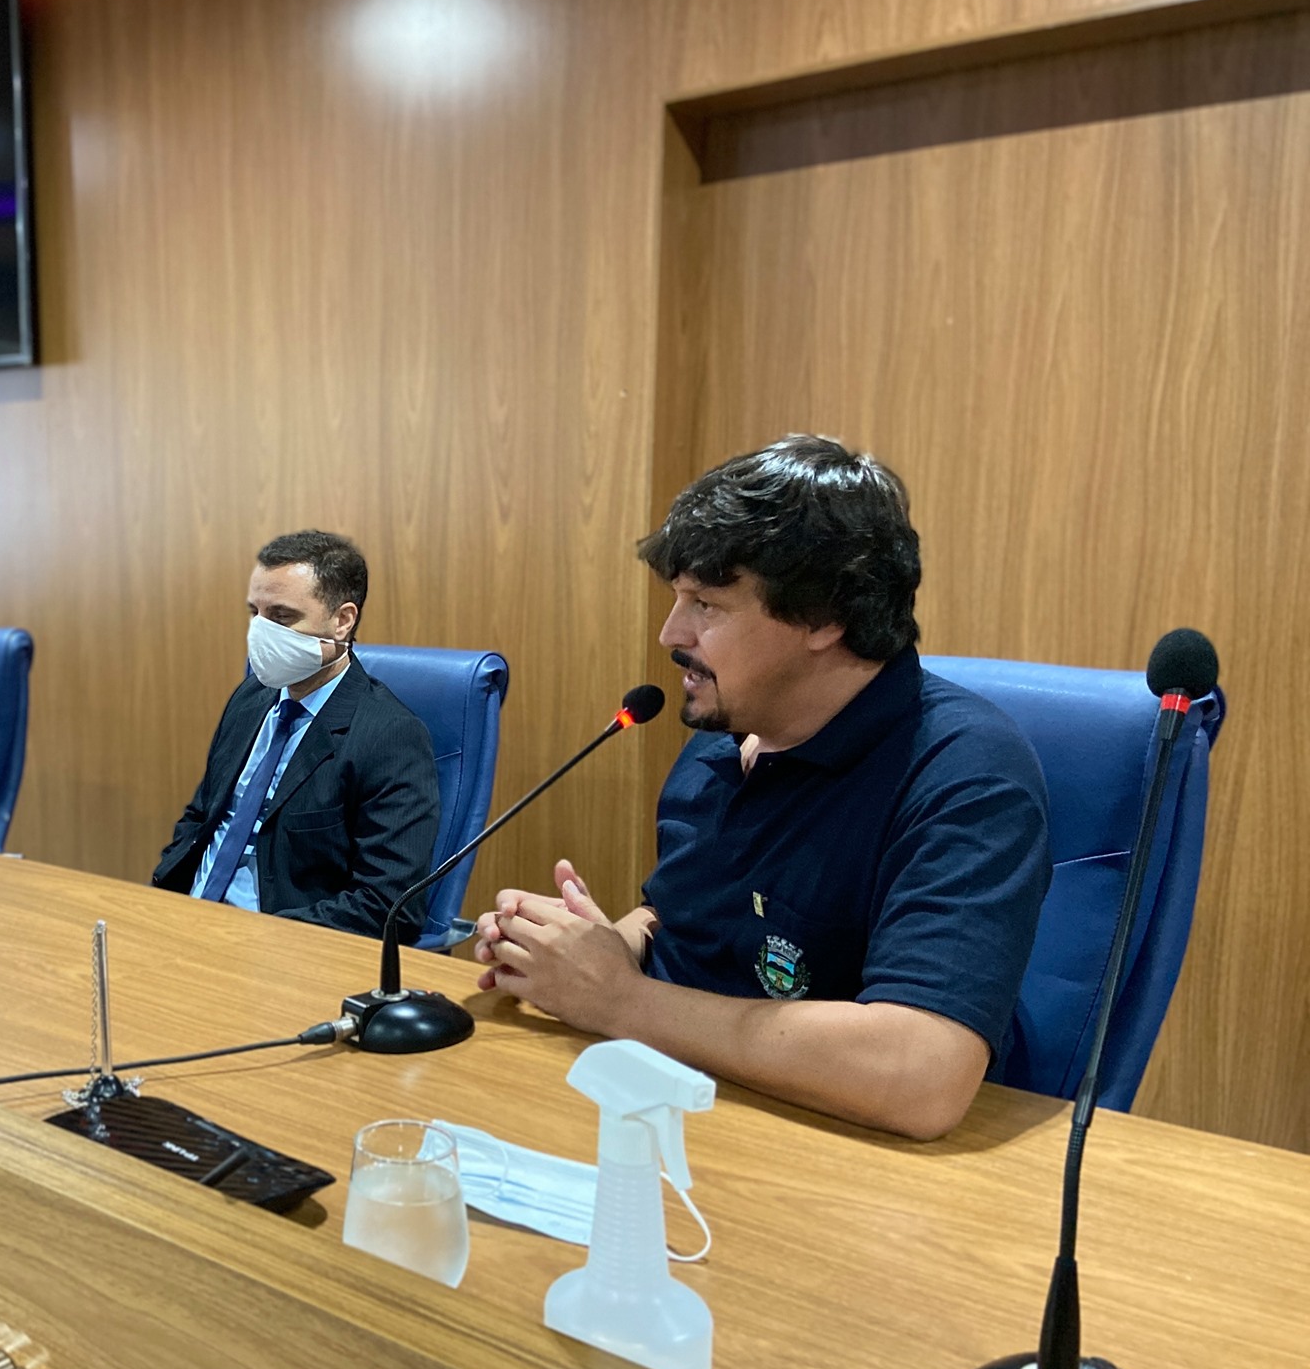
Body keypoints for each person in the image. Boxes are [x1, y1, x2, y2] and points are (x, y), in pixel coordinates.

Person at [475, 436, 1051, 1140]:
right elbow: (684, 921)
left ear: (824, 616)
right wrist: (591, 952)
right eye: (677, 598)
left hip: (853, 1159)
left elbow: (921, 1075)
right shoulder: (724, 740)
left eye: (706, 604)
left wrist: (619, 1000)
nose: (670, 633)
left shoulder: (967, 772)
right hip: (697, 1117)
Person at [152, 530, 440, 940]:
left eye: (282, 616)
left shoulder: (391, 736)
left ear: (342, 621)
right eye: (255, 612)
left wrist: (257, 937)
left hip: (280, 944)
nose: (259, 632)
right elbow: (202, 817)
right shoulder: (251, 698)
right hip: (184, 920)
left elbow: (387, 904)